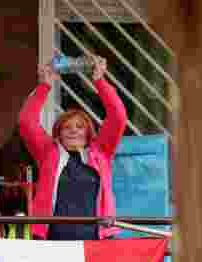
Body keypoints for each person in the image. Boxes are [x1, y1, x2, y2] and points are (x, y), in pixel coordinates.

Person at [17, 56, 128, 241]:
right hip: (52, 239)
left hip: (96, 238)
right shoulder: (48, 152)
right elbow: (26, 122)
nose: (73, 131)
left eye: (79, 126)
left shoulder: (101, 151)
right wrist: (44, 86)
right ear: (58, 133)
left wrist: (100, 80)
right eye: (67, 127)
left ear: (88, 131)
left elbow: (118, 117)